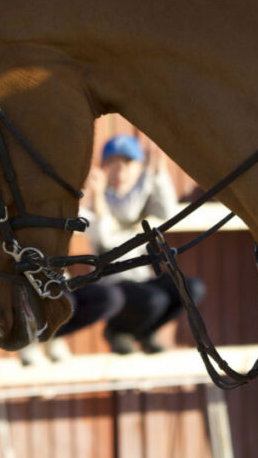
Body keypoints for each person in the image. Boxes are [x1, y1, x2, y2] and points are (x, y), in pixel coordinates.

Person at [26, 134, 206, 360]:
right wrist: (107, 196)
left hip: (140, 279)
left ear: (138, 166)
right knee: (150, 299)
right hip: (115, 283)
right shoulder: (96, 200)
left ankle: (144, 333)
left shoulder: (140, 196)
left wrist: (157, 174)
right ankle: (117, 332)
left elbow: (167, 212)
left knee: (190, 287)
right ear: (102, 169)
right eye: (113, 164)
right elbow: (108, 238)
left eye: (128, 164)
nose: (120, 172)